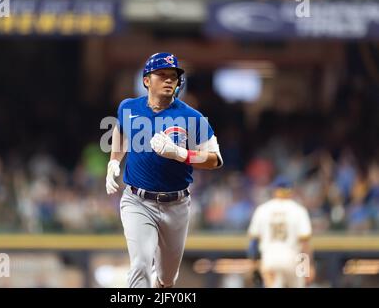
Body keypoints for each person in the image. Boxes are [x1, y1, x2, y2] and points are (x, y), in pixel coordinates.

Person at [106, 52, 223, 288]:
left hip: (176, 204)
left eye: (173, 76)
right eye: (162, 75)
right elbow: (120, 133)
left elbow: (215, 159)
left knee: (166, 279)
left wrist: (181, 154)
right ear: (147, 80)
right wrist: (114, 162)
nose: (169, 80)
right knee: (140, 265)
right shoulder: (128, 107)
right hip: (137, 200)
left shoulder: (192, 116)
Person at [247, 176, 314, 288]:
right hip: (292, 258)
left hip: (269, 258)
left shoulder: (262, 209)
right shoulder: (298, 210)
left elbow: (253, 244)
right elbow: (304, 245)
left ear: (274, 190)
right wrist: (305, 269)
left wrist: (254, 266)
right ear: (291, 191)